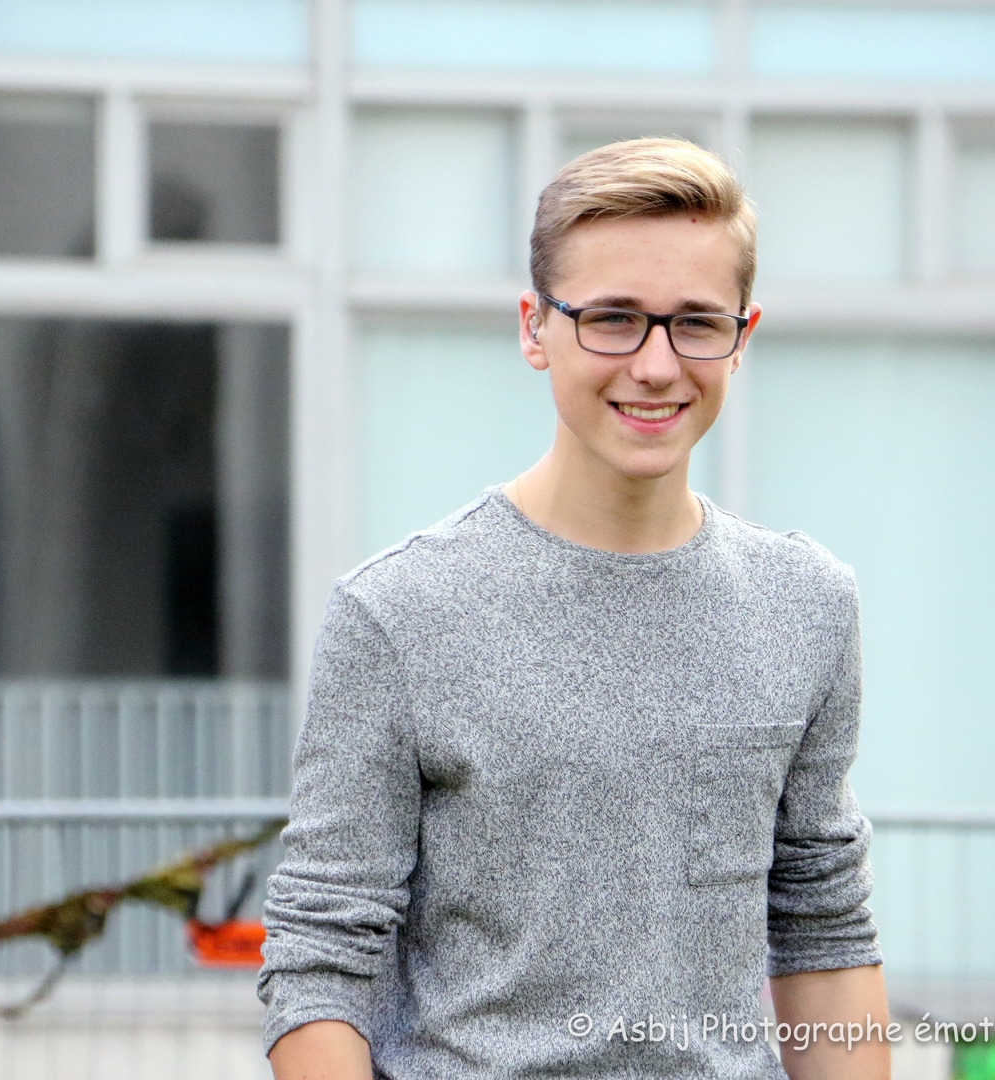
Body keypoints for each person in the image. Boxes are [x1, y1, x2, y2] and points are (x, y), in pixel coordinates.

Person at [258, 138, 889, 1080]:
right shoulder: (398, 613)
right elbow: (319, 957)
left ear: (742, 338)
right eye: (614, 319)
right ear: (534, 328)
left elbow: (823, 926)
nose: (656, 364)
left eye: (696, 323)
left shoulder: (808, 605)